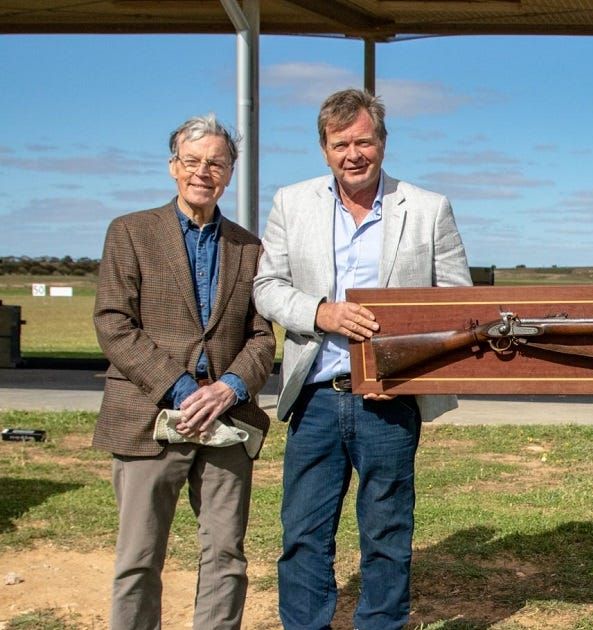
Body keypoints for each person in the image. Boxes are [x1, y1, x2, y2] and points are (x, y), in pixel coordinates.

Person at [253, 88, 472, 629]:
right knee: (303, 532)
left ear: (383, 142)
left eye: (364, 141)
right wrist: (319, 312)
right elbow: (267, 287)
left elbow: (458, 301)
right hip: (316, 398)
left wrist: (400, 365)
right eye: (340, 143)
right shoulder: (291, 202)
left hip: (389, 402)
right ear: (325, 149)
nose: (354, 153)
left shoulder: (427, 208)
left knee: (387, 532)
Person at [93, 114, 275, 629]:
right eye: (192, 161)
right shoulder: (129, 232)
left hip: (227, 423)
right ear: (173, 167)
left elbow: (262, 336)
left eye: (215, 162)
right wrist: (180, 388)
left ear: (229, 173)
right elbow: (113, 322)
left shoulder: (249, 246)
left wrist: (229, 387)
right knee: (138, 559)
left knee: (225, 557)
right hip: (147, 419)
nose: (203, 172)